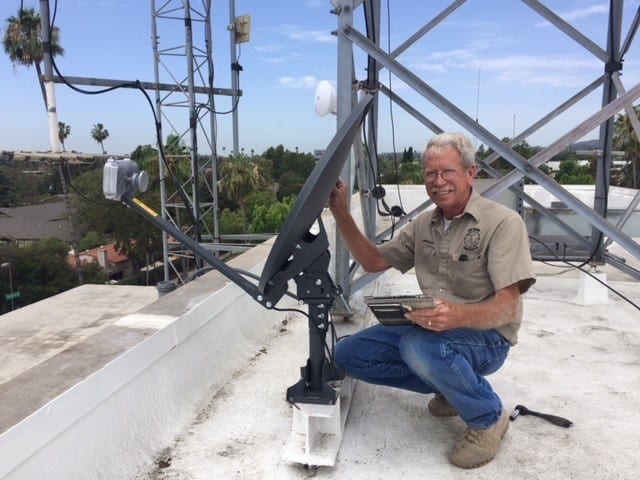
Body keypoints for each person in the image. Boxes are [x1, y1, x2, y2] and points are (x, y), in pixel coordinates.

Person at [328, 132, 536, 469]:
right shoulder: (425, 224)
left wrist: (456, 316)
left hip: (487, 339)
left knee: (418, 347)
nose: (438, 182)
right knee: (349, 354)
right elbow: (373, 262)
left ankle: (487, 417)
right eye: (430, 174)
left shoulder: (502, 223)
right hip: (430, 329)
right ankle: (451, 389)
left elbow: (507, 308)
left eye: (448, 172)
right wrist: (341, 214)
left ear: (470, 173)